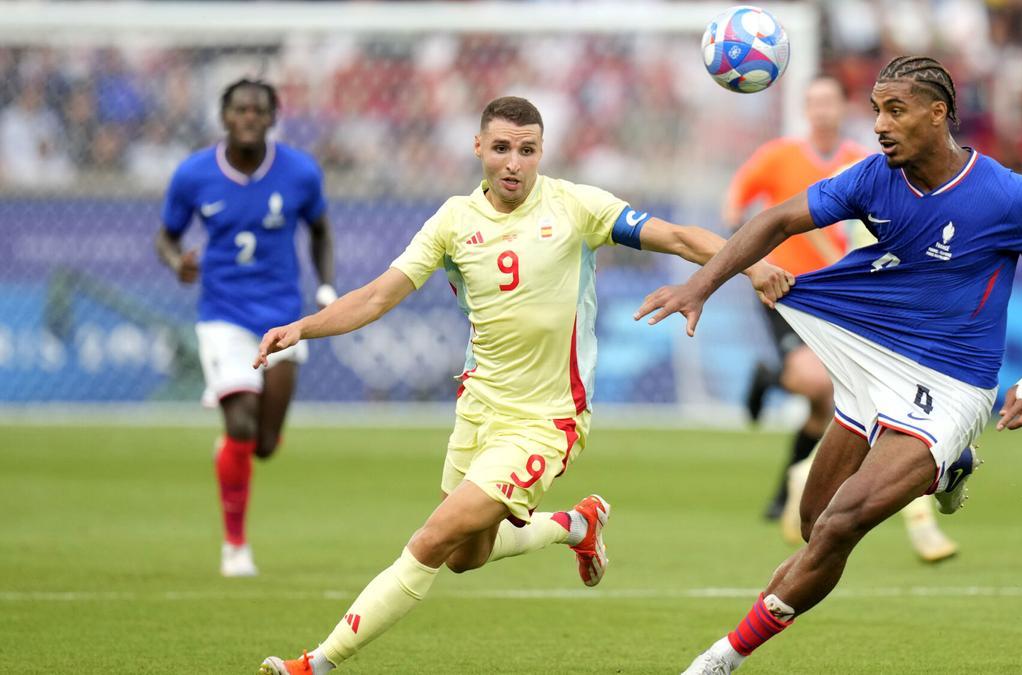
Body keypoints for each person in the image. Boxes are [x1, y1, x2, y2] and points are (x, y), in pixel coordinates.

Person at [256, 96, 792, 675]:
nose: (514, 162)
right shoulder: (453, 221)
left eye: (528, 150)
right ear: (479, 148)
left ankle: (317, 662)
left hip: (546, 420)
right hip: (479, 407)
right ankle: (573, 525)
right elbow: (378, 296)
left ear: (542, 152)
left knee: (434, 539)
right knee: (466, 556)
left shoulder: (575, 206)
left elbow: (680, 238)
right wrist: (303, 328)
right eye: (503, 148)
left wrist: (751, 263)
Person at [634, 56, 1022, 673]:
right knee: (816, 524)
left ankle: (718, 661)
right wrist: (703, 286)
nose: (879, 124)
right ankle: (945, 469)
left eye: (894, 110)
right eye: (874, 110)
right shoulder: (872, 179)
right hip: (870, 366)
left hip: (950, 385)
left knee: (842, 523)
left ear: (938, 112)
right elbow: (773, 219)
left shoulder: (1008, 195)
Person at [725, 76, 957, 561]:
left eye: (832, 102)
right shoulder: (778, 156)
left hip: (843, 294)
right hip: (785, 290)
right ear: (806, 110)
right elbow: (736, 205)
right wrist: (752, 242)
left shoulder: (866, 160)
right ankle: (921, 517)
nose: (823, 111)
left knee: (832, 407)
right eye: (815, 103)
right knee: (823, 388)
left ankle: (789, 489)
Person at [155, 78, 337, 578]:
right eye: (240, 109)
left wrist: (325, 286)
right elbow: (166, 237)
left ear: (274, 116)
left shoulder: (300, 172)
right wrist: (177, 262)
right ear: (225, 116)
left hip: (283, 320)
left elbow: (320, 230)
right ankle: (235, 547)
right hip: (223, 317)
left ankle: (241, 450)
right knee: (239, 423)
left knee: (264, 444)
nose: (250, 117)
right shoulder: (194, 174)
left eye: (259, 109)